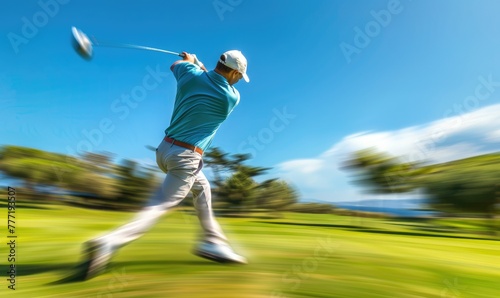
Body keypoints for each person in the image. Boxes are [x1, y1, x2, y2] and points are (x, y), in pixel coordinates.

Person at [79, 50, 250, 279]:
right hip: (187, 157)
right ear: (234, 72)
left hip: (165, 150)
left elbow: (177, 65)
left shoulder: (188, 74)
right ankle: (108, 242)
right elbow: (210, 78)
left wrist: (190, 61)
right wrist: (196, 63)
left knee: (202, 189)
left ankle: (213, 241)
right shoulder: (230, 97)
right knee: (160, 205)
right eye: (240, 76)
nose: (239, 80)